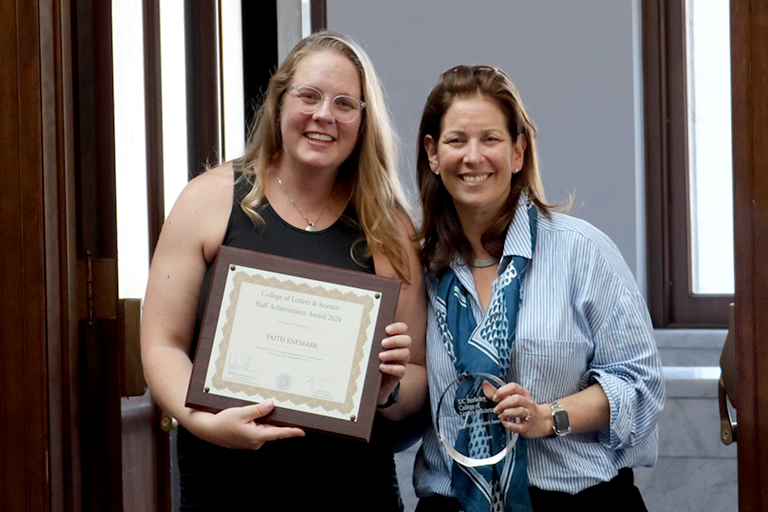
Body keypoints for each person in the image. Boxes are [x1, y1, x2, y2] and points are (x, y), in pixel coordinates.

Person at [140, 31, 426, 511]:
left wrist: (387, 391)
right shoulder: (209, 199)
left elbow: (416, 375)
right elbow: (161, 344)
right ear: (278, 103)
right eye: (308, 96)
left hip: (353, 490)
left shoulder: (389, 226)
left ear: (362, 119)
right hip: (225, 484)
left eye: (344, 103)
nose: (323, 116)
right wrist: (202, 421)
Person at [412, 65, 664, 511]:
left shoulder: (582, 251)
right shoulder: (417, 267)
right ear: (433, 154)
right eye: (456, 140)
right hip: (453, 501)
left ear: (518, 152)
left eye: (490, 139)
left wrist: (547, 417)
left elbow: (639, 387)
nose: (473, 156)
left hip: (577, 500)